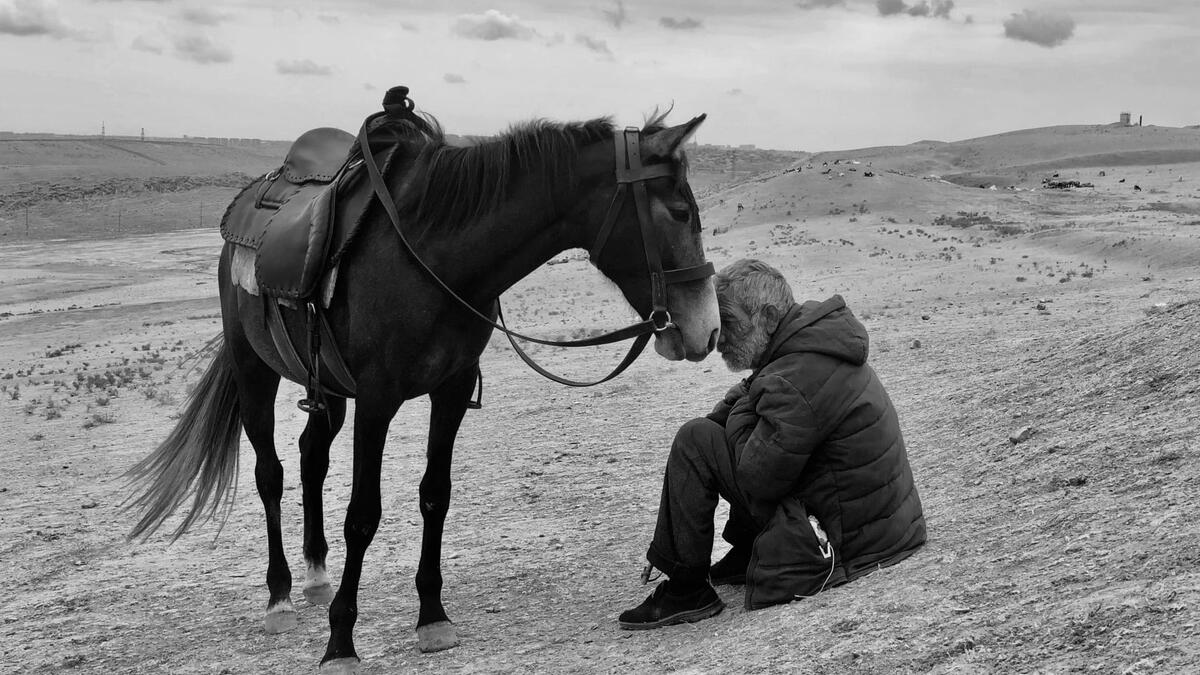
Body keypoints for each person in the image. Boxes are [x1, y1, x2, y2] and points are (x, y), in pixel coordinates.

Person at [618, 259, 926, 630]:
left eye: (729, 322)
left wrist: (742, 411)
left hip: (849, 543)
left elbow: (756, 478)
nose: (720, 341)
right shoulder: (807, 349)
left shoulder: (793, 377)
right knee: (715, 434)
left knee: (695, 441)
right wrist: (742, 408)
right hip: (878, 529)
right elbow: (747, 406)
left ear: (765, 317)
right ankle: (746, 551)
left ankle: (687, 590)